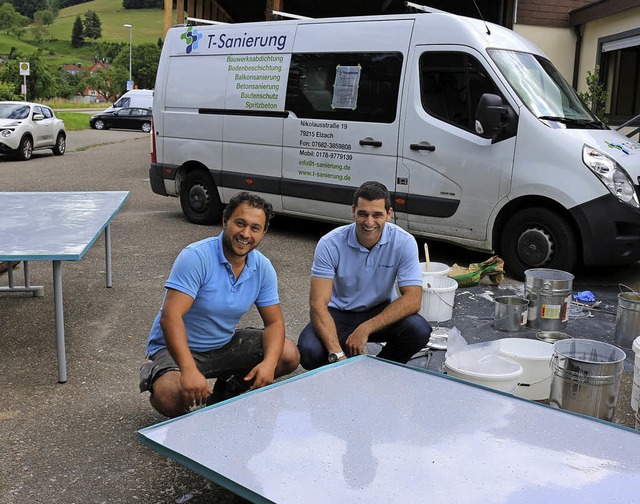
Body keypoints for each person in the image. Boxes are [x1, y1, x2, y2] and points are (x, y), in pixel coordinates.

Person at [140, 191, 300, 417]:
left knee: (287, 354)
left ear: (264, 232)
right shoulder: (196, 257)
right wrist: (188, 370)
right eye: (240, 223)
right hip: (175, 348)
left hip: (222, 344)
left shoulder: (263, 267)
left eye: (255, 228)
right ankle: (186, 416)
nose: (245, 234)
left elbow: (274, 322)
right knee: (170, 395)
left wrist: (269, 364)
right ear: (225, 220)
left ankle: (226, 392)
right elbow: (170, 316)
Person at [297, 181, 431, 369]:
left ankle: (379, 371)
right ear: (353, 211)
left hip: (380, 308)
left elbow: (413, 300)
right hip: (339, 313)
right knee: (309, 351)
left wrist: (365, 329)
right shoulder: (330, 243)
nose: (369, 222)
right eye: (363, 214)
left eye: (377, 215)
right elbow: (318, 305)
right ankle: (340, 371)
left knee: (418, 329)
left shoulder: (404, 242)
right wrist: (338, 355)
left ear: (389, 214)